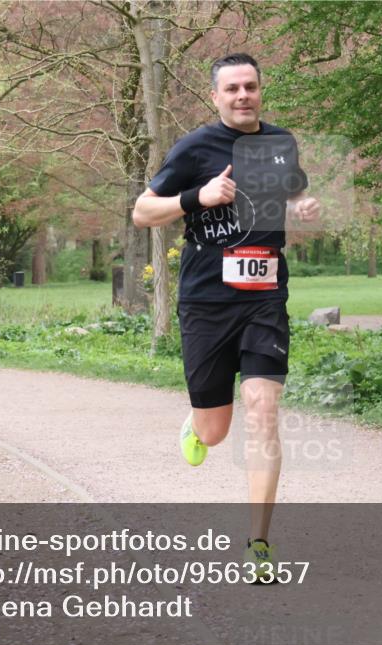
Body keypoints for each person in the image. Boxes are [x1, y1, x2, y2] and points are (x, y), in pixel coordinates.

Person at [133, 53, 319, 582]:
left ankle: (258, 541)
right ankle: (197, 423)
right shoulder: (195, 148)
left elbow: (296, 190)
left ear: (261, 92)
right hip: (207, 302)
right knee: (216, 432)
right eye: (232, 88)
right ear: (215, 96)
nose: (243, 95)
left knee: (262, 407)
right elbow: (143, 211)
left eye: (251, 87)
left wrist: (304, 206)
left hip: (265, 297)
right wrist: (199, 197)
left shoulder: (280, 143)